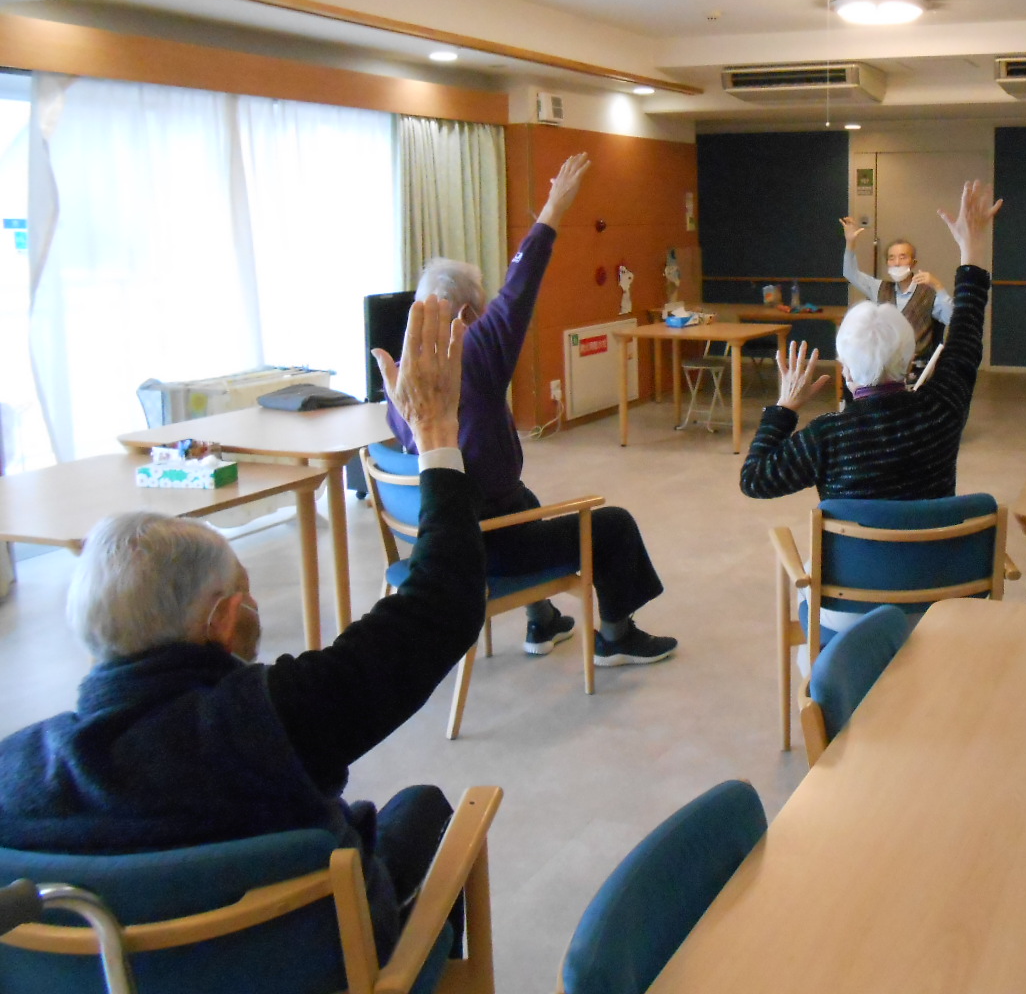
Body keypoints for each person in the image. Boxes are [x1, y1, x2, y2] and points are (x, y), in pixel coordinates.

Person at [0, 297, 480, 962]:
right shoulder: (272, 721)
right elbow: (442, 602)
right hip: (316, 966)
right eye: (243, 590)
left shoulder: (16, 770)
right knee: (424, 808)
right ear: (223, 620)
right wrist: (437, 432)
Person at [393, 153, 675, 666]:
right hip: (486, 545)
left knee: (522, 496)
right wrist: (553, 207)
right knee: (612, 525)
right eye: (481, 309)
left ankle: (542, 620)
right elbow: (520, 288)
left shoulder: (401, 376)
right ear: (466, 314)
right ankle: (616, 636)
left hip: (436, 543)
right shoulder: (474, 349)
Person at [742, 179, 999, 501]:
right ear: (908, 360)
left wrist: (785, 408)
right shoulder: (940, 409)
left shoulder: (826, 436)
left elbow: (754, 480)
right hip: (932, 536)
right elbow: (966, 332)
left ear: (846, 368)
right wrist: (971, 246)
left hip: (854, 538)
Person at [840, 218, 953, 364]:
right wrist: (850, 243)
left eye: (902, 257)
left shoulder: (928, 293)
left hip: (917, 365)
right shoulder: (879, 288)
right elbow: (850, 273)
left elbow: (952, 318)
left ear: (913, 263)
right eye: (891, 258)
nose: (897, 263)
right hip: (885, 364)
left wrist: (938, 286)